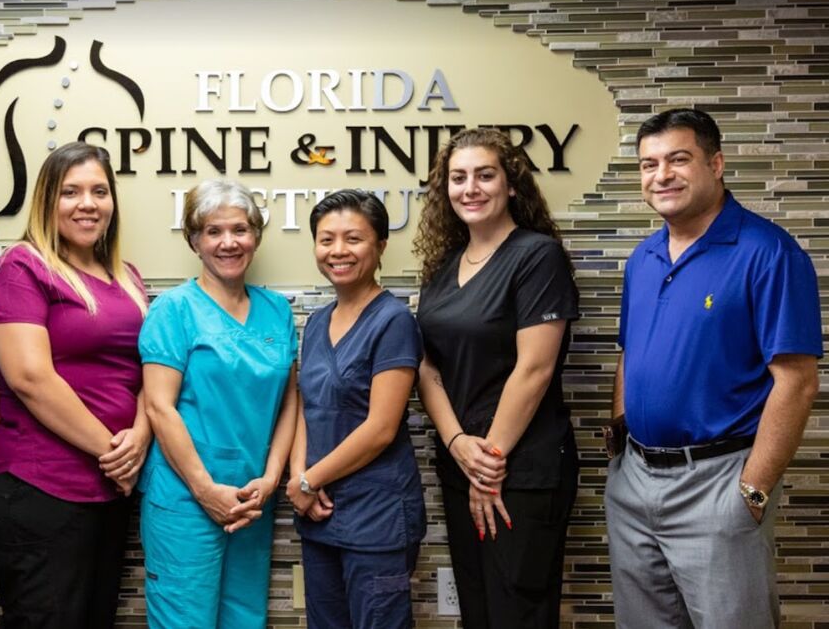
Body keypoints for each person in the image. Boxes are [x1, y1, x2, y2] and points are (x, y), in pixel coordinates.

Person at [605, 108, 821, 629]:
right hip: (635, 483)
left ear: (716, 164)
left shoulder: (768, 253)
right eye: (648, 164)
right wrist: (618, 447)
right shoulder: (644, 257)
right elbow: (630, 354)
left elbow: (797, 380)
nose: (661, 175)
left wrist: (753, 491)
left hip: (718, 484)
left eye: (678, 159)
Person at [414, 128, 580, 628]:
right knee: (479, 611)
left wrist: (489, 463)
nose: (471, 188)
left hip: (521, 470)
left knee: (517, 612)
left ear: (511, 185)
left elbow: (535, 368)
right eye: (458, 178)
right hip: (461, 463)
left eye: (485, 175)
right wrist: (457, 441)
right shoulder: (444, 267)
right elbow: (427, 366)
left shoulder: (536, 256)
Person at [0, 141, 149, 628]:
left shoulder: (127, 277)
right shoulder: (22, 267)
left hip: (110, 489)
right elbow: (30, 379)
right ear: (47, 200)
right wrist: (113, 452)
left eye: (99, 191)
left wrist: (138, 437)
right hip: (40, 487)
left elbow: (146, 371)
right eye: (71, 192)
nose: (88, 203)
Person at [138, 179, 298, 629]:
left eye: (240, 229)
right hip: (186, 499)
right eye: (213, 231)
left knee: (244, 619)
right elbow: (159, 408)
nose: (229, 242)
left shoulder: (277, 311)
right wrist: (206, 491)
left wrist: (270, 480)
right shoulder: (174, 310)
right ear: (194, 240)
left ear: (256, 237)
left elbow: (289, 402)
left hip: (251, 498)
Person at [286, 189, 426, 629]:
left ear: (380, 245)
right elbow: (307, 407)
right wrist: (298, 481)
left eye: (353, 239)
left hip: (376, 517)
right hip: (319, 512)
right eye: (326, 240)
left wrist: (311, 479)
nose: (338, 251)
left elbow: (382, 428)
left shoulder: (394, 321)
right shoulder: (316, 323)